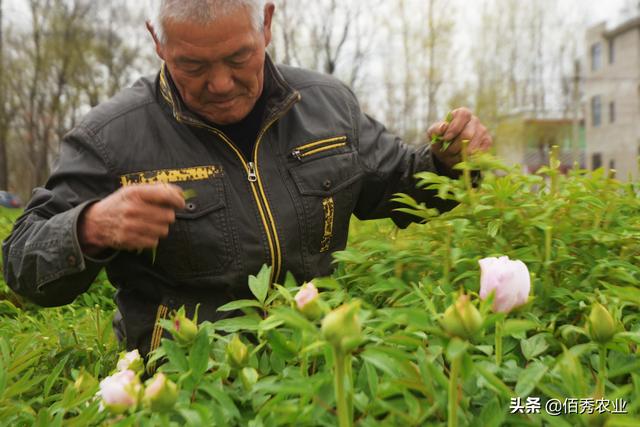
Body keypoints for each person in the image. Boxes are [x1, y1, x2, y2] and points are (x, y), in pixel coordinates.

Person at [2, 0, 492, 356]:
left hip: (316, 359)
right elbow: (22, 264)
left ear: (268, 24)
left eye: (239, 58)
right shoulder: (111, 137)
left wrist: (449, 165)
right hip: (182, 381)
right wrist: (89, 226)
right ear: (157, 39)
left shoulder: (327, 106)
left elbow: (402, 185)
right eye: (191, 65)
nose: (219, 83)